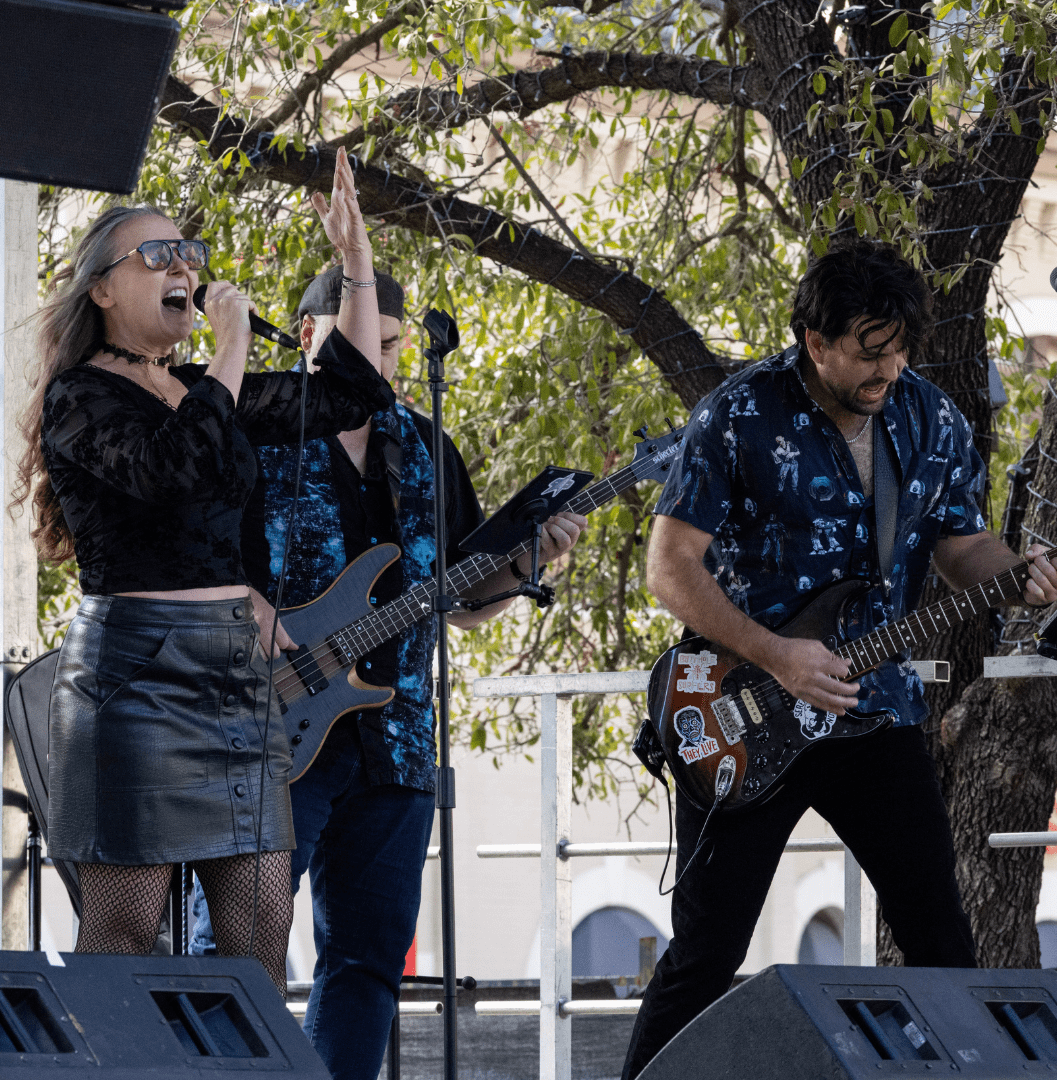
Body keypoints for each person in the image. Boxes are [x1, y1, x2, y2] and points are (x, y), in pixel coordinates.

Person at [621, 241, 1057, 1079]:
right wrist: (776, 654)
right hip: (743, 715)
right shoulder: (740, 414)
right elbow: (668, 569)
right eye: (868, 348)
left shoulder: (930, 417)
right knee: (708, 951)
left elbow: (960, 546)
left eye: (898, 348)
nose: (887, 367)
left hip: (875, 711)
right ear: (815, 341)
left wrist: (1018, 577)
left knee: (942, 941)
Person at [189, 262, 586, 1076]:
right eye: (371, 340)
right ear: (309, 337)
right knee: (229, 947)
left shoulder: (426, 444)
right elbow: (192, 558)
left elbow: (461, 599)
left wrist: (524, 564)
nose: (387, 359)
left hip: (396, 736)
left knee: (368, 961)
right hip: (273, 725)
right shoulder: (258, 430)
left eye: (397, 344)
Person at [16, 147, 394, 995]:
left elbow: (350, 396)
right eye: (158, 254)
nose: (183, 265)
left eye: (189, 251)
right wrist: (228, 348)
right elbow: (173, 466)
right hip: (137, 676)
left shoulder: (193, 386)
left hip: (234, 672)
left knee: (261, 924)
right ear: (103, 290)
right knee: (126, 924)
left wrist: (355, 268)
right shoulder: (80, 397)